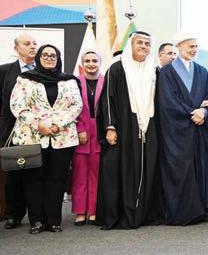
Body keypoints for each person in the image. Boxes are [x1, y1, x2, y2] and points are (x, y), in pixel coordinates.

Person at [8, 44, 82, 234]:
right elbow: (17, 105)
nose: (49, 58)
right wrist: (38, 124)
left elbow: (76, 106)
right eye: (45, 55)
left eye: (53, 55)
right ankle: (37, 221)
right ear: (38, 57)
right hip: (32, 137)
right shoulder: (25, 79)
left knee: (57, 179)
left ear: (58, 58)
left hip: (62, 137)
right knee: (33, 180)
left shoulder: (69, 80)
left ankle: (53, 220)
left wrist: (58, 124)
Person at [96, 31, 162, 230]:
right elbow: (107, 100)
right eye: (139, 42)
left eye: (147, 44)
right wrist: (110, 127)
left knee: (148, 167)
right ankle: (123, 214)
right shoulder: (117, 68)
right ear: (130, 45)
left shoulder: (155, 70)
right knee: (122, 169)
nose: (143, 46)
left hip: (149, 127)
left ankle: (145, 213)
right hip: (124, 127)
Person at [157, 34, 208, 225]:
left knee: (200, 167)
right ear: (179, 46)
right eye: (191, 46)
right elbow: (167, 100)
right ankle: (182, 212)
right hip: (177, 131)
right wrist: (192, 113)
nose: (194, 50)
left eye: (196, 47)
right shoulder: (166, 72)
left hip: (199, 129)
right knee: (180, 168)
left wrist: (204, 112)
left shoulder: (202, 71)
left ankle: (201, 210)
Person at [1, 33, 37, 228]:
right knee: (14, 173)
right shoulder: (5, 71)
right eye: (27, 43)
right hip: (12, 130)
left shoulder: (44, 71)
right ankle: (14, 214)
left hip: (39, 131)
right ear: (16, 49)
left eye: (34, 43)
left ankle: (37, 216)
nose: (32, 46)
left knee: (37, 173)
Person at [72, 50, 104, 226]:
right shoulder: (74, 82)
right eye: (87, 61)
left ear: (100, 62)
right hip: (81, 131)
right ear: (82, 63)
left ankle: (93, 210)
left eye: (94, 60)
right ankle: (79, 211)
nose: (91, 64)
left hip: (100, 132)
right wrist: (79, 129)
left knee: (96, 173)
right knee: (79, 173)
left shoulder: (107, 81)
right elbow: (70, 108)